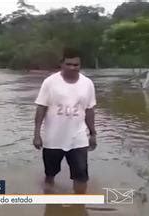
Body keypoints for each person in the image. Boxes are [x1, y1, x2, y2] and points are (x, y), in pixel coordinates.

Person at [33, 48, 97, 194]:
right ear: (61, 64)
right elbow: (41, 108)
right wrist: (37, 134)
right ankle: (50, 204)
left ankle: (79, 206)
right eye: (69, 64)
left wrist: (93, 134)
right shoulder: (50, 82)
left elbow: (89, 110)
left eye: (76, 65)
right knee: (50, 174)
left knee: (81, 176)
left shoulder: (87, 83)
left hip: (78, 138)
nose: (73, 68)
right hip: (53, 138)